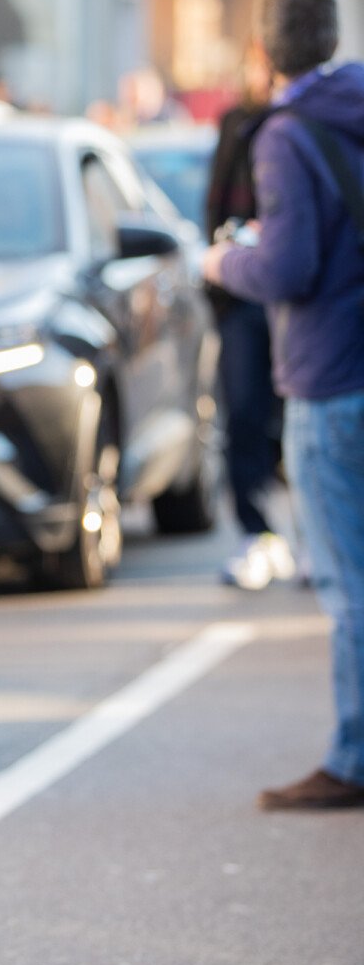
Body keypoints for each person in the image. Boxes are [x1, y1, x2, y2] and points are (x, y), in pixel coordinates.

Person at [203, 0, 364, 810]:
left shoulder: (285, 134)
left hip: (332, 377)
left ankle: (353, 758)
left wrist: (225, 259)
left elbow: (289, 266)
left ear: (263, 51)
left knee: (348, 585)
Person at [205, 42, 294, 589]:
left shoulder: (302, 126)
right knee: (243, 413)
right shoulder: (236, 125)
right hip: (242, 294)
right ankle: (258, 533)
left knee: (297, 414)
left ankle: (305, 535)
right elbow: (216, 208)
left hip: (296, 297)